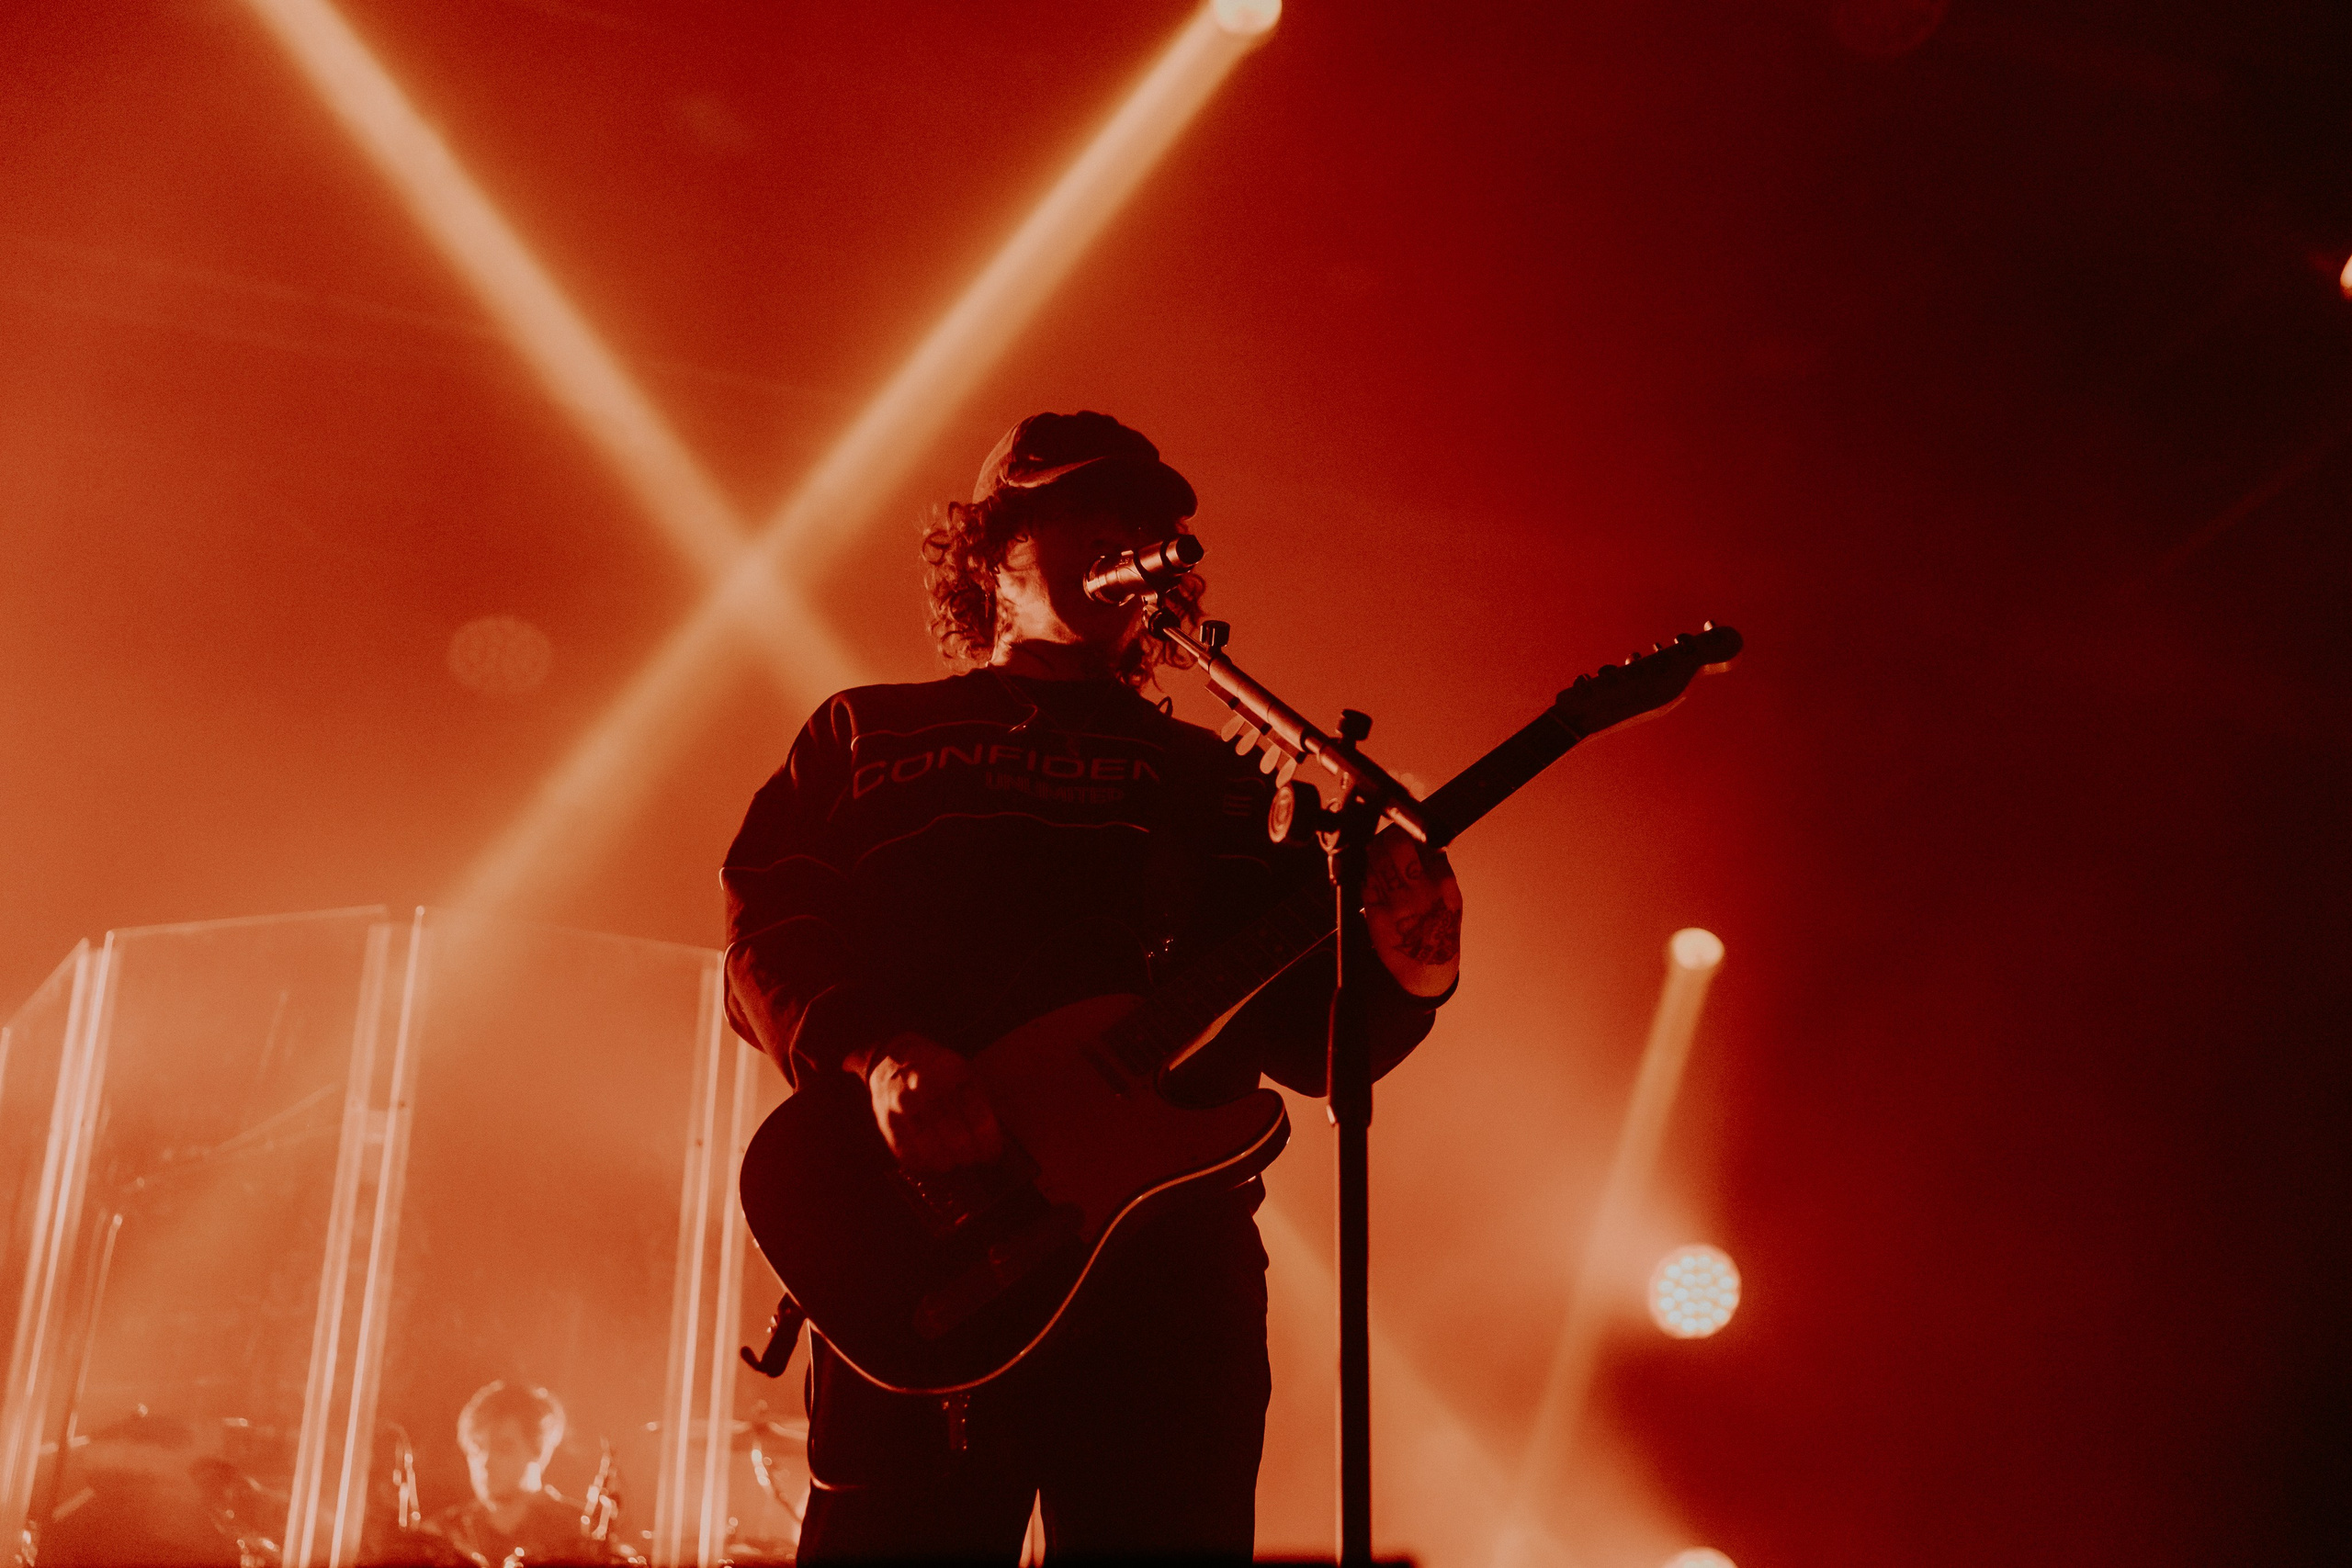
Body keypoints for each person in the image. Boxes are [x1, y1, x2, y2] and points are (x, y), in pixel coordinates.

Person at [721, 411, 1464, 1561]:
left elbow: (1312, 1045)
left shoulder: (1219, 783)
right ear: (990, 552)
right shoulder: (870, 733)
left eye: (1147, 524)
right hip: (928, 1239)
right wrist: (880, 1055)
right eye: (1086, 514)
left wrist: (1414, 958)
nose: (1125, 539)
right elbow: (770, 929)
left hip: (1169, 1272)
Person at [429, 1381, 607, 1565]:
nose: (486, 1462)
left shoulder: (581, 1533)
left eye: (503, 1447)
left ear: (538, 1450)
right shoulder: (442, 1535)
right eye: (477, 1449)